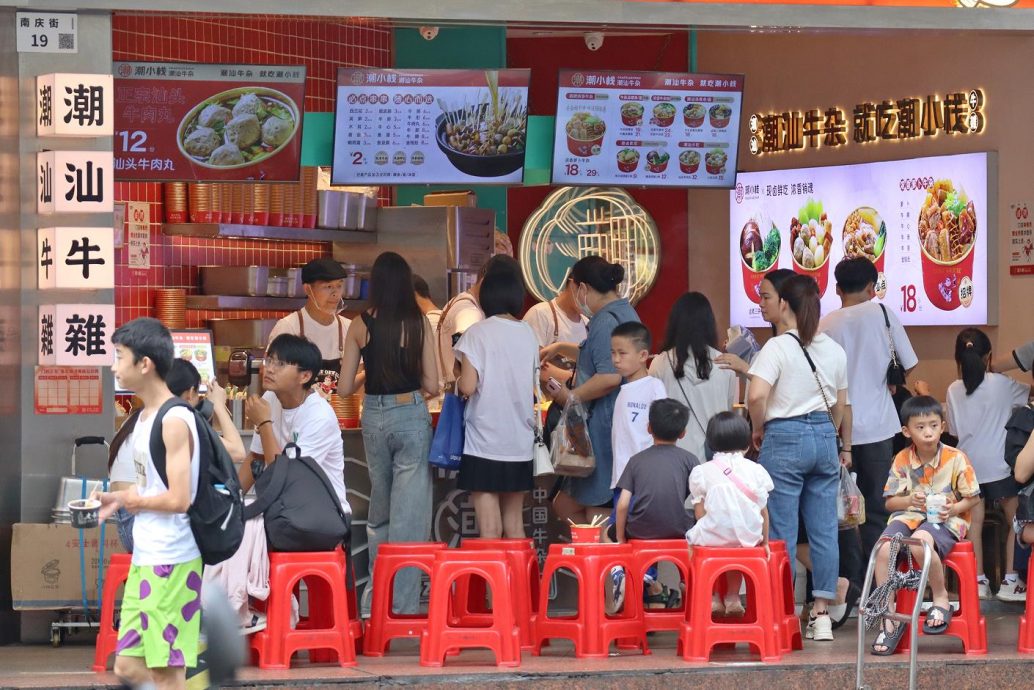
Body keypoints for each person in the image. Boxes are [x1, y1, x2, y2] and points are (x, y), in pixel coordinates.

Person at [211, 334, 351, 633]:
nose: (270, 368)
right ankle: (221, 613)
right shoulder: (272, 399)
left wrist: (263, 424)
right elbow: (254, 459)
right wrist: (229, 500)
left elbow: (287, 478)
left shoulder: (319, 415)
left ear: (305, 376)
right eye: (270, 360)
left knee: (246, 529)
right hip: (283, 511)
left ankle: (241, 612)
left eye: (281, 363)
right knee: (226, 522)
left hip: (320, 517)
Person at [96, 318, 202, 690]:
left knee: (166, 673)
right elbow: (151, 488)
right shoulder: (144, 418)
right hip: (148, 557)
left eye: (119, 356)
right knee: (128, 666)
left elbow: (179, 498)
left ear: (145, 364)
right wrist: (118, 498)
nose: (113, 366)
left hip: (172, 560)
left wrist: (131, 499)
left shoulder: (174, 419)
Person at [747, 274, 848, 642]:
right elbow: (840, 405)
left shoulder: (776, 347)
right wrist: (828, 433)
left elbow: (756, 396)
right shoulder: (834, 350)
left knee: (782, 529)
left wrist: (758, 427)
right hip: (824, 435)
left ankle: (783, 612)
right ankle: (821, 615)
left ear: (785, 304)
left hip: (785, 435)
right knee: (824, 530)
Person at [339, 252, 438, 616]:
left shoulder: (359, 324)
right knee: (408, 516)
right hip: (410, 412)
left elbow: (344, 388)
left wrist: (370, 371)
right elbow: (433, 383)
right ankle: (402, 606)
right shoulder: (419, 323)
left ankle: (375, 603)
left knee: (380, 508)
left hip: (374, 416)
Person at [819, 257, 919, 561]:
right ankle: (878, 577)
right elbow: (909, 363)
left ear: (837, 289)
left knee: (841, 507)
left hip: (837, 430)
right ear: (871, 287)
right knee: (878, 506)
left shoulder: (826, 324)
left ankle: (849, 574)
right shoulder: (884, 314)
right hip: (879, 427)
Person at [870, 396, 981, 655]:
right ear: (906, 431)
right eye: (920, 427)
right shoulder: (902, 459)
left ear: (942, 426)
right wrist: (909, 500)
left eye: (933, 425)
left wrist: (953, 508)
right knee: (883, 549)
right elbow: (890, 503)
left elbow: (973, 497)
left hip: (947, 518)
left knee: (920, 542)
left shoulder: (956, 457)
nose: (928, 432)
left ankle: (940, 597)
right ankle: (888, 616)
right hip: (908, 515)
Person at [540, 256, 641, 526]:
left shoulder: (604, 321)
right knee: (567, 504)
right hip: (619, 424)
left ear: (582, 288)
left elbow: (609, 376)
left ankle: (604, 551)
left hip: (602, 428)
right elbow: (602, 355)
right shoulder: (625, 312)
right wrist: (561, 348)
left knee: (598, 512)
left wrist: (571, 396)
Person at [454, 257, 539, 538]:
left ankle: (495, 572)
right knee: (515, 525)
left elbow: (468, 387)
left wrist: (456, 379)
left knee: (489, 528)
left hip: (484, 442)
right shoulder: (528, 333)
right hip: (519, 442)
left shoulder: (477, 333)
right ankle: (520, 571)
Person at [945, 328, 1032, 600]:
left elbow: (954, 430)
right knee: (1016, 520)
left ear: (958, 358)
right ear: (989, 356)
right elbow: (1028, 395)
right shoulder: (1003, 384)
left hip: (967, 467)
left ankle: (977, 581)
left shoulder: (953, 389)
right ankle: (1010, 581)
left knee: (974, 522)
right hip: (1000, 468)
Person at [610, 398, 699, 608]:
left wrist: (621, 538)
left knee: (606, 532)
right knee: (690, 528)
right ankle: (687, 581)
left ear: (649, 428)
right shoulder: (690, 460)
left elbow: (622, 505)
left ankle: (620, 571)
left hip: (640, 529)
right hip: (680, 529)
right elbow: (700, 501)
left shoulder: (636, 460)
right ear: (683, 433)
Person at [687, 412, 773, 616]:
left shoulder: (702, 471)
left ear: (711, 442)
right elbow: (763, 511)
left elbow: (699, 514)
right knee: (736, 544)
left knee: (702, 545)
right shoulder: (756, 470)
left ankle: (713, 596)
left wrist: (715, 525)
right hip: (749, 537)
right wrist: (765, 541)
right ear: (746, 443)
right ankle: (733, 596)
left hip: (713, 535)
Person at [650, 292, 737, 459]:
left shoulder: (660, 364)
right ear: (709, 324)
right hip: (715, 457)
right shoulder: (726, 365)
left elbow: (654, 413)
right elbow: (727, 411)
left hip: (673, 457)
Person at [265, 258, 352, 398]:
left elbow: (356, 378)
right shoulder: (289, 327)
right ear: (307, 289)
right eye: (328, 287)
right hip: (298, 411)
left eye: (339, 286)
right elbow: (271, 375)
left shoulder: (349, 328)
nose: (335, 293)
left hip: (337, 411)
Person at [523, 270, 589, 350]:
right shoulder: (540, 314)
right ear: (573, 285)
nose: (590, 301)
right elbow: (529, 355)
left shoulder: (587, 324)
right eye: (587, 293)